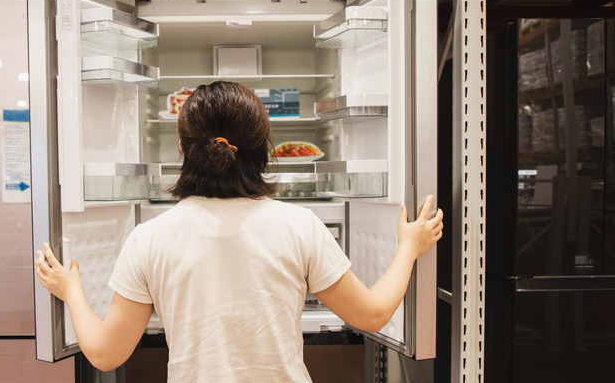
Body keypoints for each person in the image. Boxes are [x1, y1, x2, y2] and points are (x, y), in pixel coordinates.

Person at [35, 80, 443, 381]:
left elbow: (106, 355)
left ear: (183, 149)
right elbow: (372, 314)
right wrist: (408, 248)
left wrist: (72, 291)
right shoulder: (299, 226)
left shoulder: (150, 237)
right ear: (262, 149)